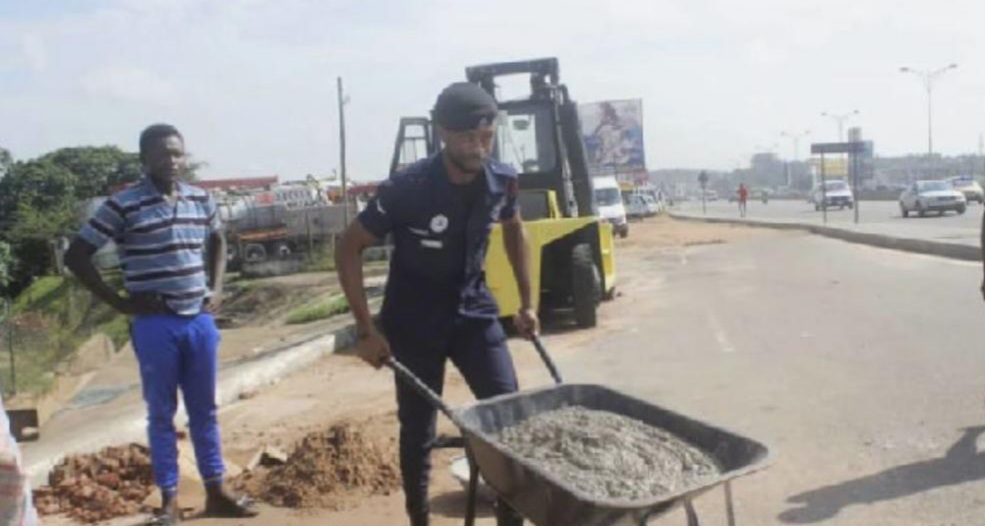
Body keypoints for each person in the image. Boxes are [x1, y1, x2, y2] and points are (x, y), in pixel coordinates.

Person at [336, 82, 537, 526]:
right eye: (468, 136)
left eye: (486, 136)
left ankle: (512, 517)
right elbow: (348, 246)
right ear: (443, 132)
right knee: (419, 428)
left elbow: (514, 229)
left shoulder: (501, 180)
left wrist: (527, 302)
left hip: (473, 312)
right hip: (414, 320)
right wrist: (366, 331)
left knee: (507, 416)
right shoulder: (408, 188)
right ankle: (419, 518)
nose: (478, 146)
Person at [65, 124, 257, 525]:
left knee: (205, 410)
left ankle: (217, 490)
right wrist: (119, 302)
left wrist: (217, 287)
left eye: (176, 153)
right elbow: (78, 255)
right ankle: (169, 501)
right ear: (144, 159)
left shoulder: (200, 199)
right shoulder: (123, 206)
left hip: (199, 320)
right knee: (161, 414)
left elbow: (218, 239)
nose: (171, 161)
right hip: (155, 325)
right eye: (161, 154)